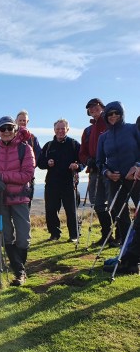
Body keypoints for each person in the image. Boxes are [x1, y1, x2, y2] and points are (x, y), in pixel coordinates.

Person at [0, 116, 35, 286]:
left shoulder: (25, 149)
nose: (6, 131)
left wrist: (3, 177)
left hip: (20, 199)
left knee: (23, 237)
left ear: (15, 129)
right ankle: (20, 273)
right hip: (0, 200)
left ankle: (20, 270)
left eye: (9, 128)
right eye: (2, 128)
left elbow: (27, 174)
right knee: (6, 236)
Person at [96, 101, 140, 243]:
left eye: (117, 113)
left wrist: (137, 166)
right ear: (106, 116)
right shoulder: (103, 137)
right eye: (110, 114)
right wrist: (107, 173)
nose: (113, 116)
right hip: (114, 181)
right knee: (121, 216)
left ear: (122, 114)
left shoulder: (133, 129)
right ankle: (126, 247)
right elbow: (99, 162)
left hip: (135, 178)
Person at [38, 119, 83, 242]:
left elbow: (83, 161)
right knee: (51, 211)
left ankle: (74, 235)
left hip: (70, 183)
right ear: (54, 130)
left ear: (67, 129)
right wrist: (47, 162)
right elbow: (40, 163)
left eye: (63, 128)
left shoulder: (74, 144)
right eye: (58, 129)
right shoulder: (48, 146)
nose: (60, 131)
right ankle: (54, 235)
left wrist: (77, 166)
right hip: (52, 184)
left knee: (71, 211)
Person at [78, 98, 114, 245]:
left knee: (114, 203)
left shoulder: (111, 124)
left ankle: (120, 236)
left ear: (102, 107)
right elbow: (82, 152)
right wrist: (88, 160)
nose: (93, 109)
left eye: (96, 106)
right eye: (90, 108)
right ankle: (107, 236)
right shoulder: (88, 131)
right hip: (94, 170)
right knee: (97, 203)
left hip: (111, 169)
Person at [15, 110, 42, 207]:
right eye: (20, 120)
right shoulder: (10, 136)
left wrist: (28, 168)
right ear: (16, 121)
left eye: (24, 120)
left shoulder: (32, 138)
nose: (22, 122)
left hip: (28, 179)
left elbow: (38, 156)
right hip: (13, 179)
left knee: (26, 206)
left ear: (27, 122)